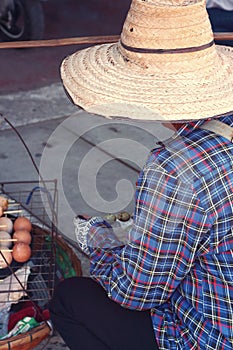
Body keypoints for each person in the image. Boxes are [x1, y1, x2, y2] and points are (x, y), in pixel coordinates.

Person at [49, 0, 233, 349]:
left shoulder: (177, 167)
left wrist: (99, 240)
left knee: (70, 299)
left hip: (212, 339)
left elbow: (138, 291)